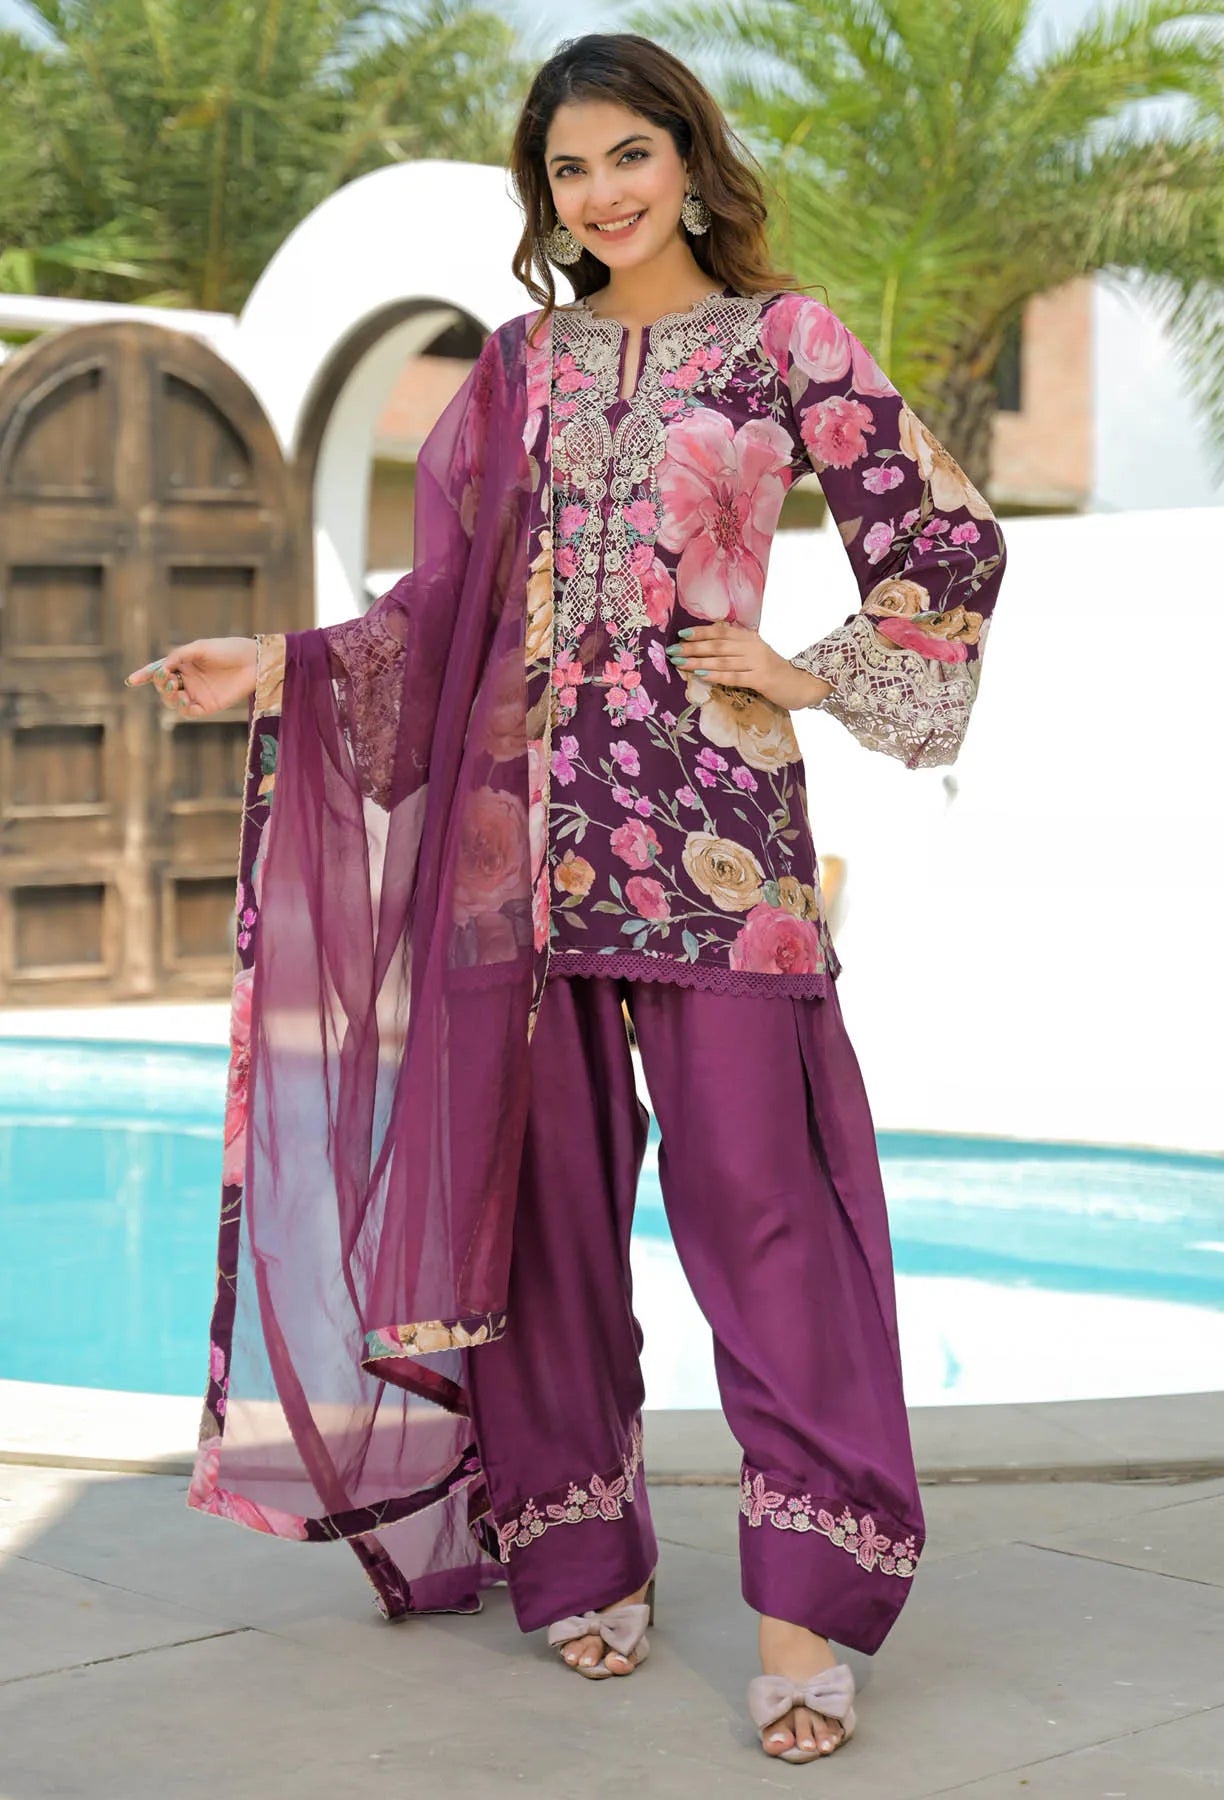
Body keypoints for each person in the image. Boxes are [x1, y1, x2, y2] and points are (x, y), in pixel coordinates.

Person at [126, 32, 1005, 1767]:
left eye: (629, 156)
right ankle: (578, 1541)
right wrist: (284, 667)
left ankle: (804, 1598)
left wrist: (805, 671)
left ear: (689, 154)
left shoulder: (783, 341)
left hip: (719, 850)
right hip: (515, 859)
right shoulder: (517, 365)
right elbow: (445, 606)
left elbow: (947, 546)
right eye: (568, 171)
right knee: (540, 1223)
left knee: (762, 1208)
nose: (600, 195)